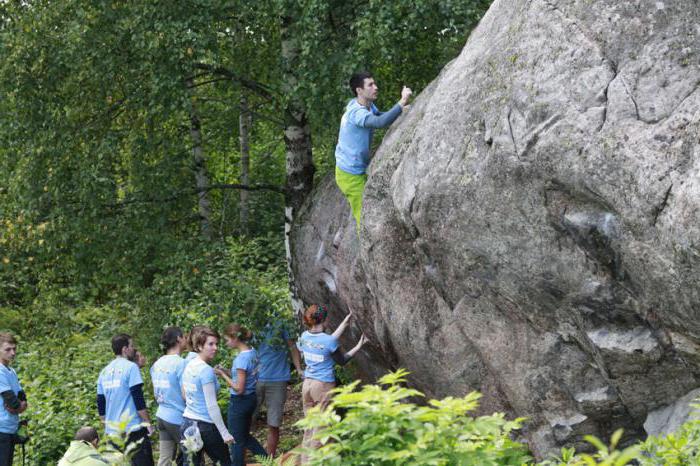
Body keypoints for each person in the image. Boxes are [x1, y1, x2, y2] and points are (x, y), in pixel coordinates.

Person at [335, 71, 412, 229]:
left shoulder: (367, 105)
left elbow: (379, 115)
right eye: (370, 85)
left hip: (357, 168)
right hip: (349, 174)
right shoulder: (355, 113)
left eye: (374, 83)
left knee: (368, 206)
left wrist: (400, 112)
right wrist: (402, 101)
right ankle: (364, 253)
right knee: (365, 219)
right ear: (359, 90)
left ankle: (341, 234)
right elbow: (379, 122)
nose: (375, 87)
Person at [297, 305, 367, 457]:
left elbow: (324, 343)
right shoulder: (328, 341)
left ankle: (304, 460)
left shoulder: (304, 336)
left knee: (310, 426)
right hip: (322, 387)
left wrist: (345, 322)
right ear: (323, 320)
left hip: (307, 385)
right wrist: (359, 346)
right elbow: (342, 360)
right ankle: (315, 462)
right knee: (322, 428)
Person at [97, 333, 154, 466]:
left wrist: (106, 425)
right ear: (124, 349)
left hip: (112, 433)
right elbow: (138, 399)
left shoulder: (104, 372)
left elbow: (101, 404)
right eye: (131, 346)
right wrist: (148, 423)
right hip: (132, 430)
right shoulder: (131, 367)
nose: (133, 349)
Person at [215, 324, 267, 466]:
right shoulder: (252, 352)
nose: (226, 343)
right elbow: (242, 374)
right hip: (251, 399)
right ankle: (268, 461)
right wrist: (225, 371)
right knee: (244, 436)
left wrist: (222, 375)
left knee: (236, 440)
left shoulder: (241, 359)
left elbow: (239, 388)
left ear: (234, 338)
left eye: (226, 340)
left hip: (240, 401)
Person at [180, 326, 233, 466]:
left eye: (216, 344)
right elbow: (212, 405)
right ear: (199, 346)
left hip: (187, 423)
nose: (215, 347)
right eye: (210, 344)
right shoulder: (206, 371)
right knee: (224, 463)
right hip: (206, 426)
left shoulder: (189, 365)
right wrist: (224, 433)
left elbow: (184, 395)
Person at [253, 320, 303, 457]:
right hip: (255, 380)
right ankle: (241, 460)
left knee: (273, 424)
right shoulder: (250, 323)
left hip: (278, 380)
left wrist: (298, 369)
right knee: (246, 422)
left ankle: (269, 460)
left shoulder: (280, 323)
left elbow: (292, 347)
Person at [150, 327, 187, 466]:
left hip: (161, 415)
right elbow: (185, 395)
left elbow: (156, 392)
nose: (186, 340)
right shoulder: (181, 363)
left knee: (164, 459)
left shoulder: (157, 364)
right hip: (177, 417)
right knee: (193, 454)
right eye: (184, 337)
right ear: (178, 339)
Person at [0, 332, 27, 466]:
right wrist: (18, 406)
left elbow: (22, 397)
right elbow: (14, 402)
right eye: (8, 349)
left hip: (10, 428)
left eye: (14, 349)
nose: (12, 353)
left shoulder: (11, 371)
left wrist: (19, 406)